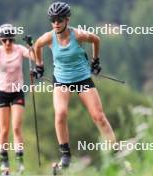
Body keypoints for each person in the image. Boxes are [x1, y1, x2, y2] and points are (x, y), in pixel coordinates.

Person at [33, 2, 116, 169]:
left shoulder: (78, 35)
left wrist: (95, 61)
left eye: (59, 20)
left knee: (98, 116)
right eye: (53, 20)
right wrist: (39, 66)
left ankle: (115, 151)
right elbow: (37, 46)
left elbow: (96, 39)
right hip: (62, 81)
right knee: (60, 114)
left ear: (67, 20)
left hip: (82, 79)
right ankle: (65, 154)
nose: (56, 23)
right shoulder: (49, 37)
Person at [0, 24, 34, 175]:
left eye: (10, 40)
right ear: (0, 41)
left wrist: (31, 45)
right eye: (4, 40)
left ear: (13, 39)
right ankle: (4, 162)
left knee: (16, 128)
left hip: (17, 92)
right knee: (4, 130)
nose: (8, 43)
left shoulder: (19, 49)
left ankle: (20, 162)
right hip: (2, 92)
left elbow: (35, 57)